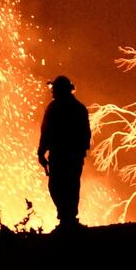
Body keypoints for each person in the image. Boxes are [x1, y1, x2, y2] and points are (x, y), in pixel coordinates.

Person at [38, 75, 91, 229]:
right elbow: (46, 131)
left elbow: (46, 131)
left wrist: (42, 152)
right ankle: (67, 218)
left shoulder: (58, 108)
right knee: (66, 186)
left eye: (54, 89)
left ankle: (68, 219)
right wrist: (41, 152)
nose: (52, 92)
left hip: (64, 155)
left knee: (62, 185)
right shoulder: (77, 108)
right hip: (67, 155)